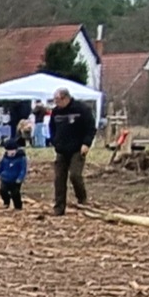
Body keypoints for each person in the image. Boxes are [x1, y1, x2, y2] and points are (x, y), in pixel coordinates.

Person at [48, 87, 96, 215]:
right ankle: (59, 207)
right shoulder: (56, 112)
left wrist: (86, 143)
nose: (56, 103)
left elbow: (90, 128)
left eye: (58, 100)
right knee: (59, 178)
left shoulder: (82, 110)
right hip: (62, 149)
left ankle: (82, 198)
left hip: (77, 149)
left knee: (75, 175)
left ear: (66, 98)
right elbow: (52, 128)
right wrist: (54, 141)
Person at [0, 133, 28, 210]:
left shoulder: (21, 158)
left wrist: (20, 178)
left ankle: (18, 206)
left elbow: (23, 169)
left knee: (15, 193)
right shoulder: (4, 158)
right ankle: (6, 202)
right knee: (2, 191)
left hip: (15, 180)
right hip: (5, 179)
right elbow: (0, 167)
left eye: (12, 150)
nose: (11, 152)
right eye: (9, 151)